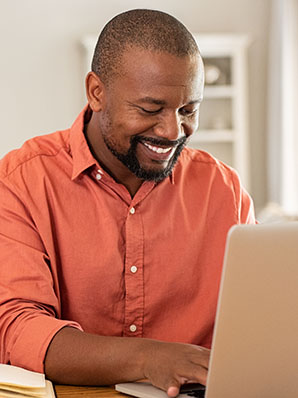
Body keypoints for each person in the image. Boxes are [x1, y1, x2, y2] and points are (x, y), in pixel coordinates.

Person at [0, 9, 255, 398]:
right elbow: (17, 328)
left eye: (188, 110)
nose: (172, 131)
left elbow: (258, 325)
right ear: (96, 92)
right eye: (150, 109)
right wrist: (148, 358)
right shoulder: (22, 180)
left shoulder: (225, 190)